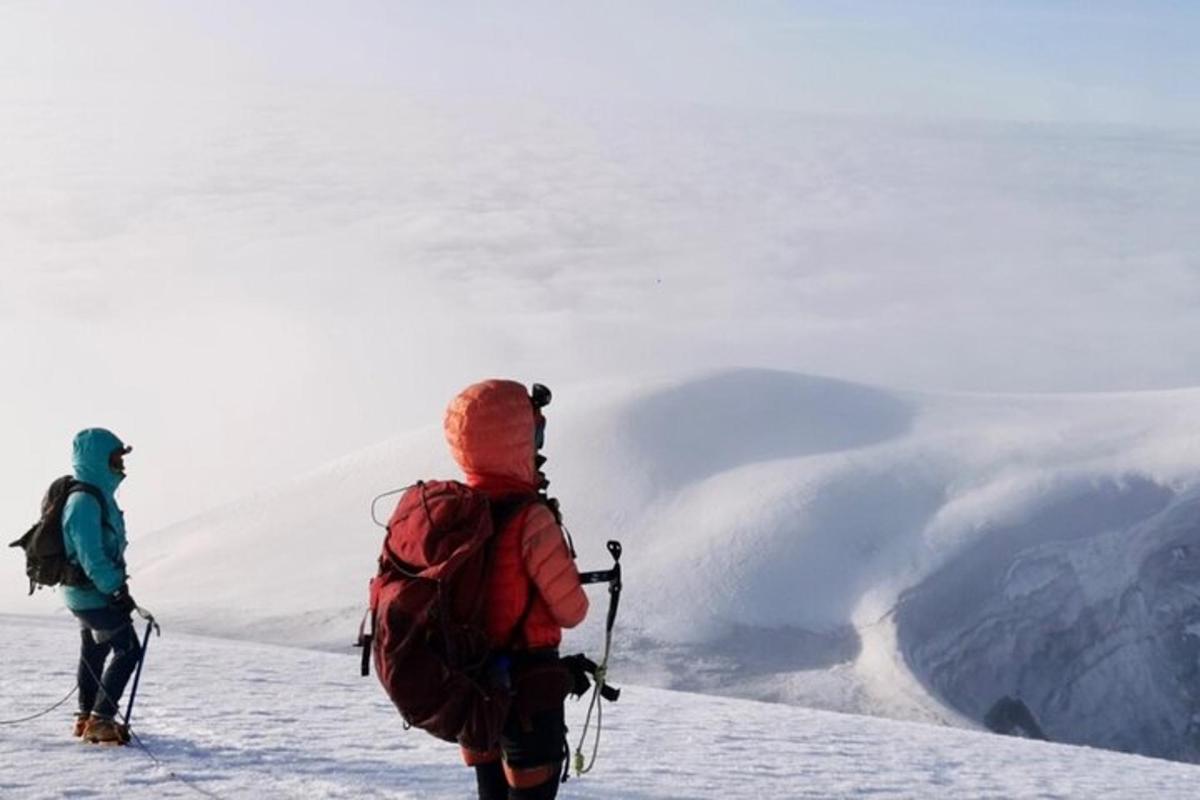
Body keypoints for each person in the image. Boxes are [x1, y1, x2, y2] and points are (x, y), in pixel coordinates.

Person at [444, 380, 590, 800]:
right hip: (527, 692)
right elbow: (572, 611)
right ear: (519, 439)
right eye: (534, 433)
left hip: (472, 687)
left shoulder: (453, 513)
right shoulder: (531, 519)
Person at [61, 427, 141, 745]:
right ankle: (100, 720)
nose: (121, 464)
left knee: (95, 649)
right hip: (91, 593)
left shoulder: (97, 497)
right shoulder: (84, 501)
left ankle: (86, 717)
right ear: (98, 459)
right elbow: (91, 555)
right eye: (116, 457)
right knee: (128, 649)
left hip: (88, 592)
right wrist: (115, 589)